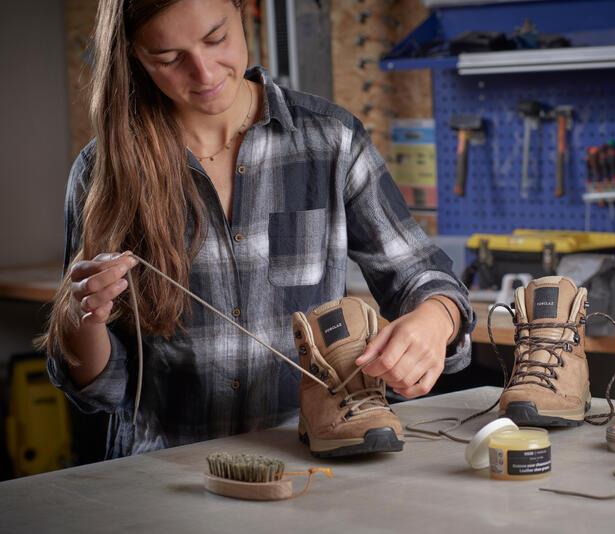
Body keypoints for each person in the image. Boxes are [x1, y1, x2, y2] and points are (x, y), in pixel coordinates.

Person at [39, 0, 474, 459]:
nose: (205, 74)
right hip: (166, 478)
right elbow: (98, 391)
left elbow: (421, 275)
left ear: (243, 11)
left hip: (311, 462)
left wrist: (434, 319)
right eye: (169, 58)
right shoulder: (104, 171)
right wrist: (82, 319)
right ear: (133, 57)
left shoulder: (331, 140)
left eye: (215, 39)